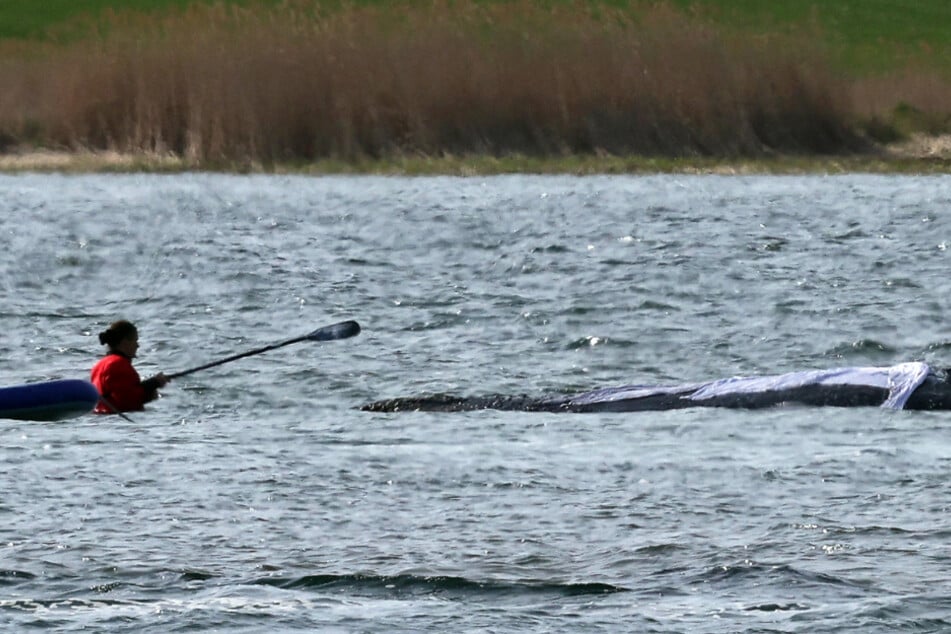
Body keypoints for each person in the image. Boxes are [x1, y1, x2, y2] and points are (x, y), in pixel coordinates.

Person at [90, 320, 169, 414]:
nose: (137, 345)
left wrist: (149, 387)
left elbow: (119, 393)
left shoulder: (99, 365)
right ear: (125, 342)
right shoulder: (119, 364)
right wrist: (153, 384)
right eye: (135, 340)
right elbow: (127, 403)